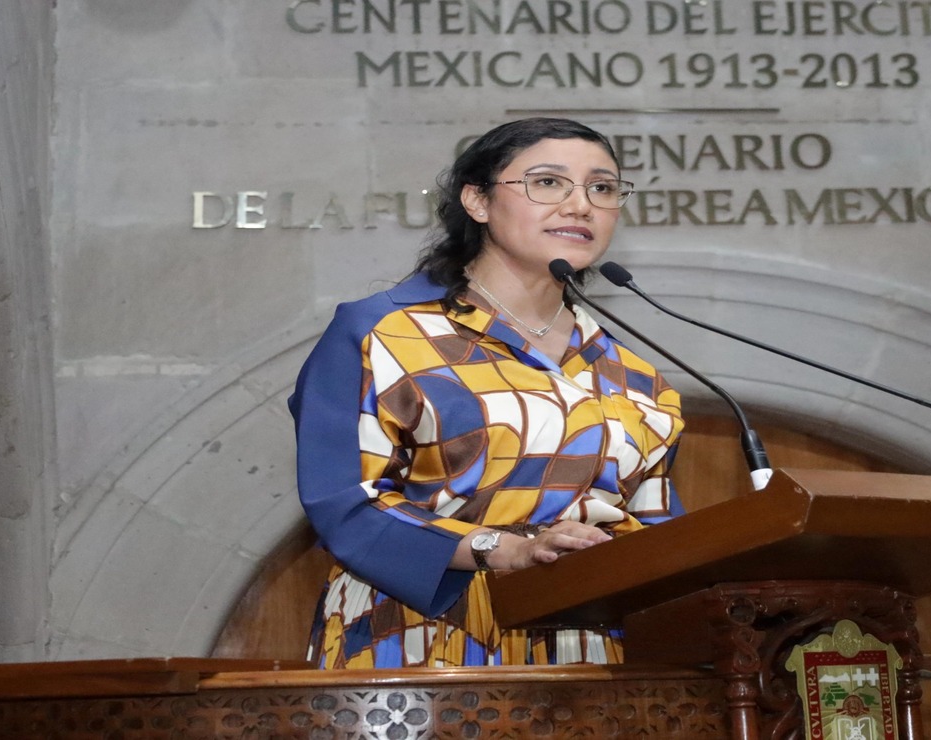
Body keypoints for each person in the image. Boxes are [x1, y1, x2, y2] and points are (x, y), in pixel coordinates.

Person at [288, 117, 686, 669]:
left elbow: (661, 532)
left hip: (588, 641)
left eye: (602, 188)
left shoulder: (633, 374)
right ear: (477, 200)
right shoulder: (386, 333)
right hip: (422, 632)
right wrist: (505, 550)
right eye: (548, 182)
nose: (580, 205)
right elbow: (349, 504)